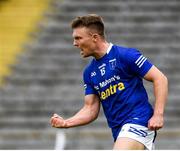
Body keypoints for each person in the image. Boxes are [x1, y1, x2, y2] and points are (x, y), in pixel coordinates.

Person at [50, 14, 168, 150]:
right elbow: (90, 108)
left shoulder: (126, 55)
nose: (75, 43)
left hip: (139, 121)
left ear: (94, 37)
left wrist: (158, 115)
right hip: (119, 131)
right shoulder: (89, 73)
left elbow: (160, 78)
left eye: (78, 38)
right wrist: (66, 123)